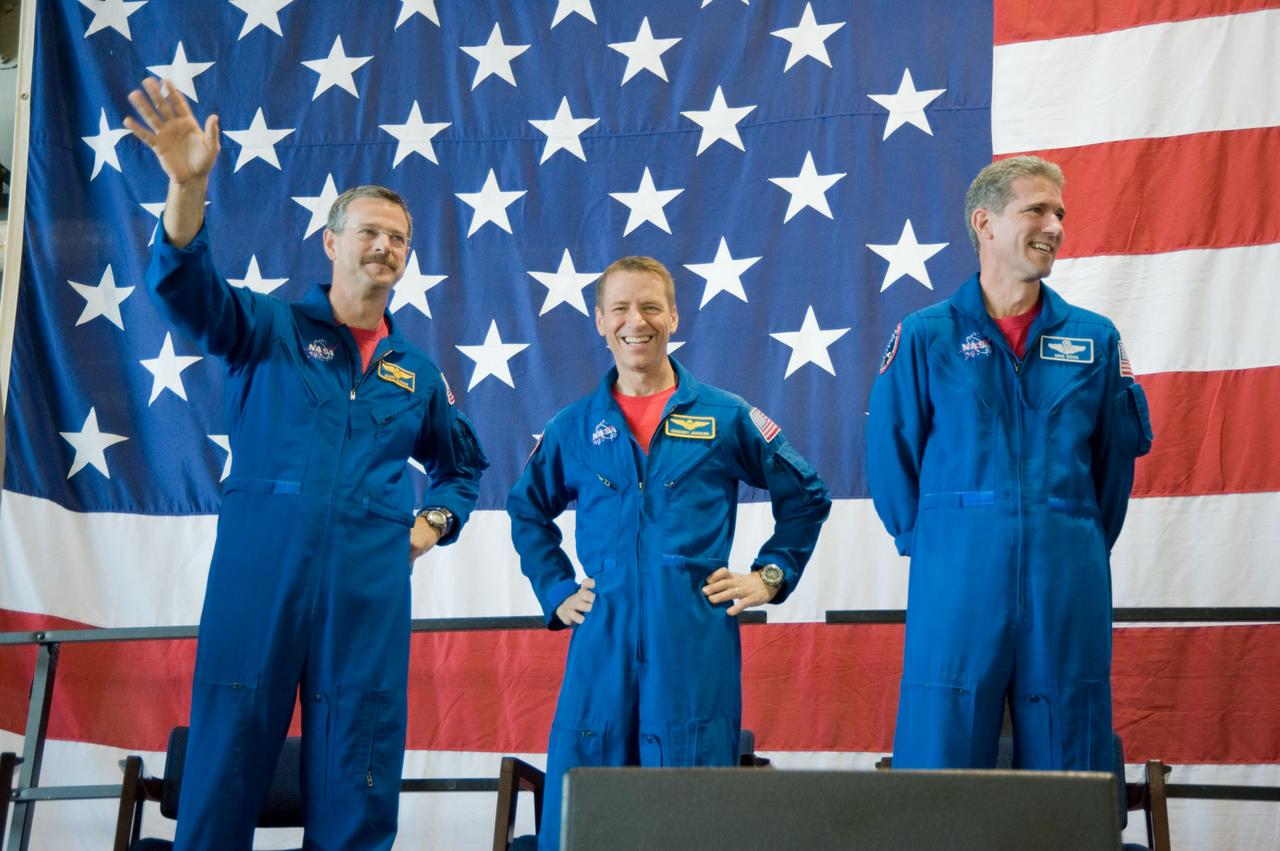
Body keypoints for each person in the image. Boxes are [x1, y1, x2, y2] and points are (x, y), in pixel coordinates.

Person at [125, 78, 487, 848]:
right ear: (331, 242)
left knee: (359, 765)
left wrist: (430, 524)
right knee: (225, 760)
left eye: (399, 238)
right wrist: (188, 187)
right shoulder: (268, 327)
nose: (385, 247)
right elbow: (185, 287)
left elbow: (461, 470)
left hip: (366, 587)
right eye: (369, 232)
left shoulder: (415, 373)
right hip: (261, 573)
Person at [507, 256, 831, 849]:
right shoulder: (572, 428)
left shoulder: (726, 415)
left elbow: (807, 494)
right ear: (600, 321)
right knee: (583, 800)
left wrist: (770, 575)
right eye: (622, 308)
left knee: (691, 805)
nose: (638, 321)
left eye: (652, 306)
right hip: (600, 635)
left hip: (692, 636)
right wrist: (556, 591)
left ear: (674, 317)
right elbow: (526, 509)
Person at [867, 156, 1154, 771]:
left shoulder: (1094, 339)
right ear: (985, 223)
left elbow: (1114, 465)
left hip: (1067, 571)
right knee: (944, 736)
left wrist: (1074, 534)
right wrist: (937, 542)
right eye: (1036, 210)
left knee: (1068, 740)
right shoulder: (925, 336)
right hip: (956, 572)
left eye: (1060, 214)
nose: (1054, 226)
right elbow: (890, 455)